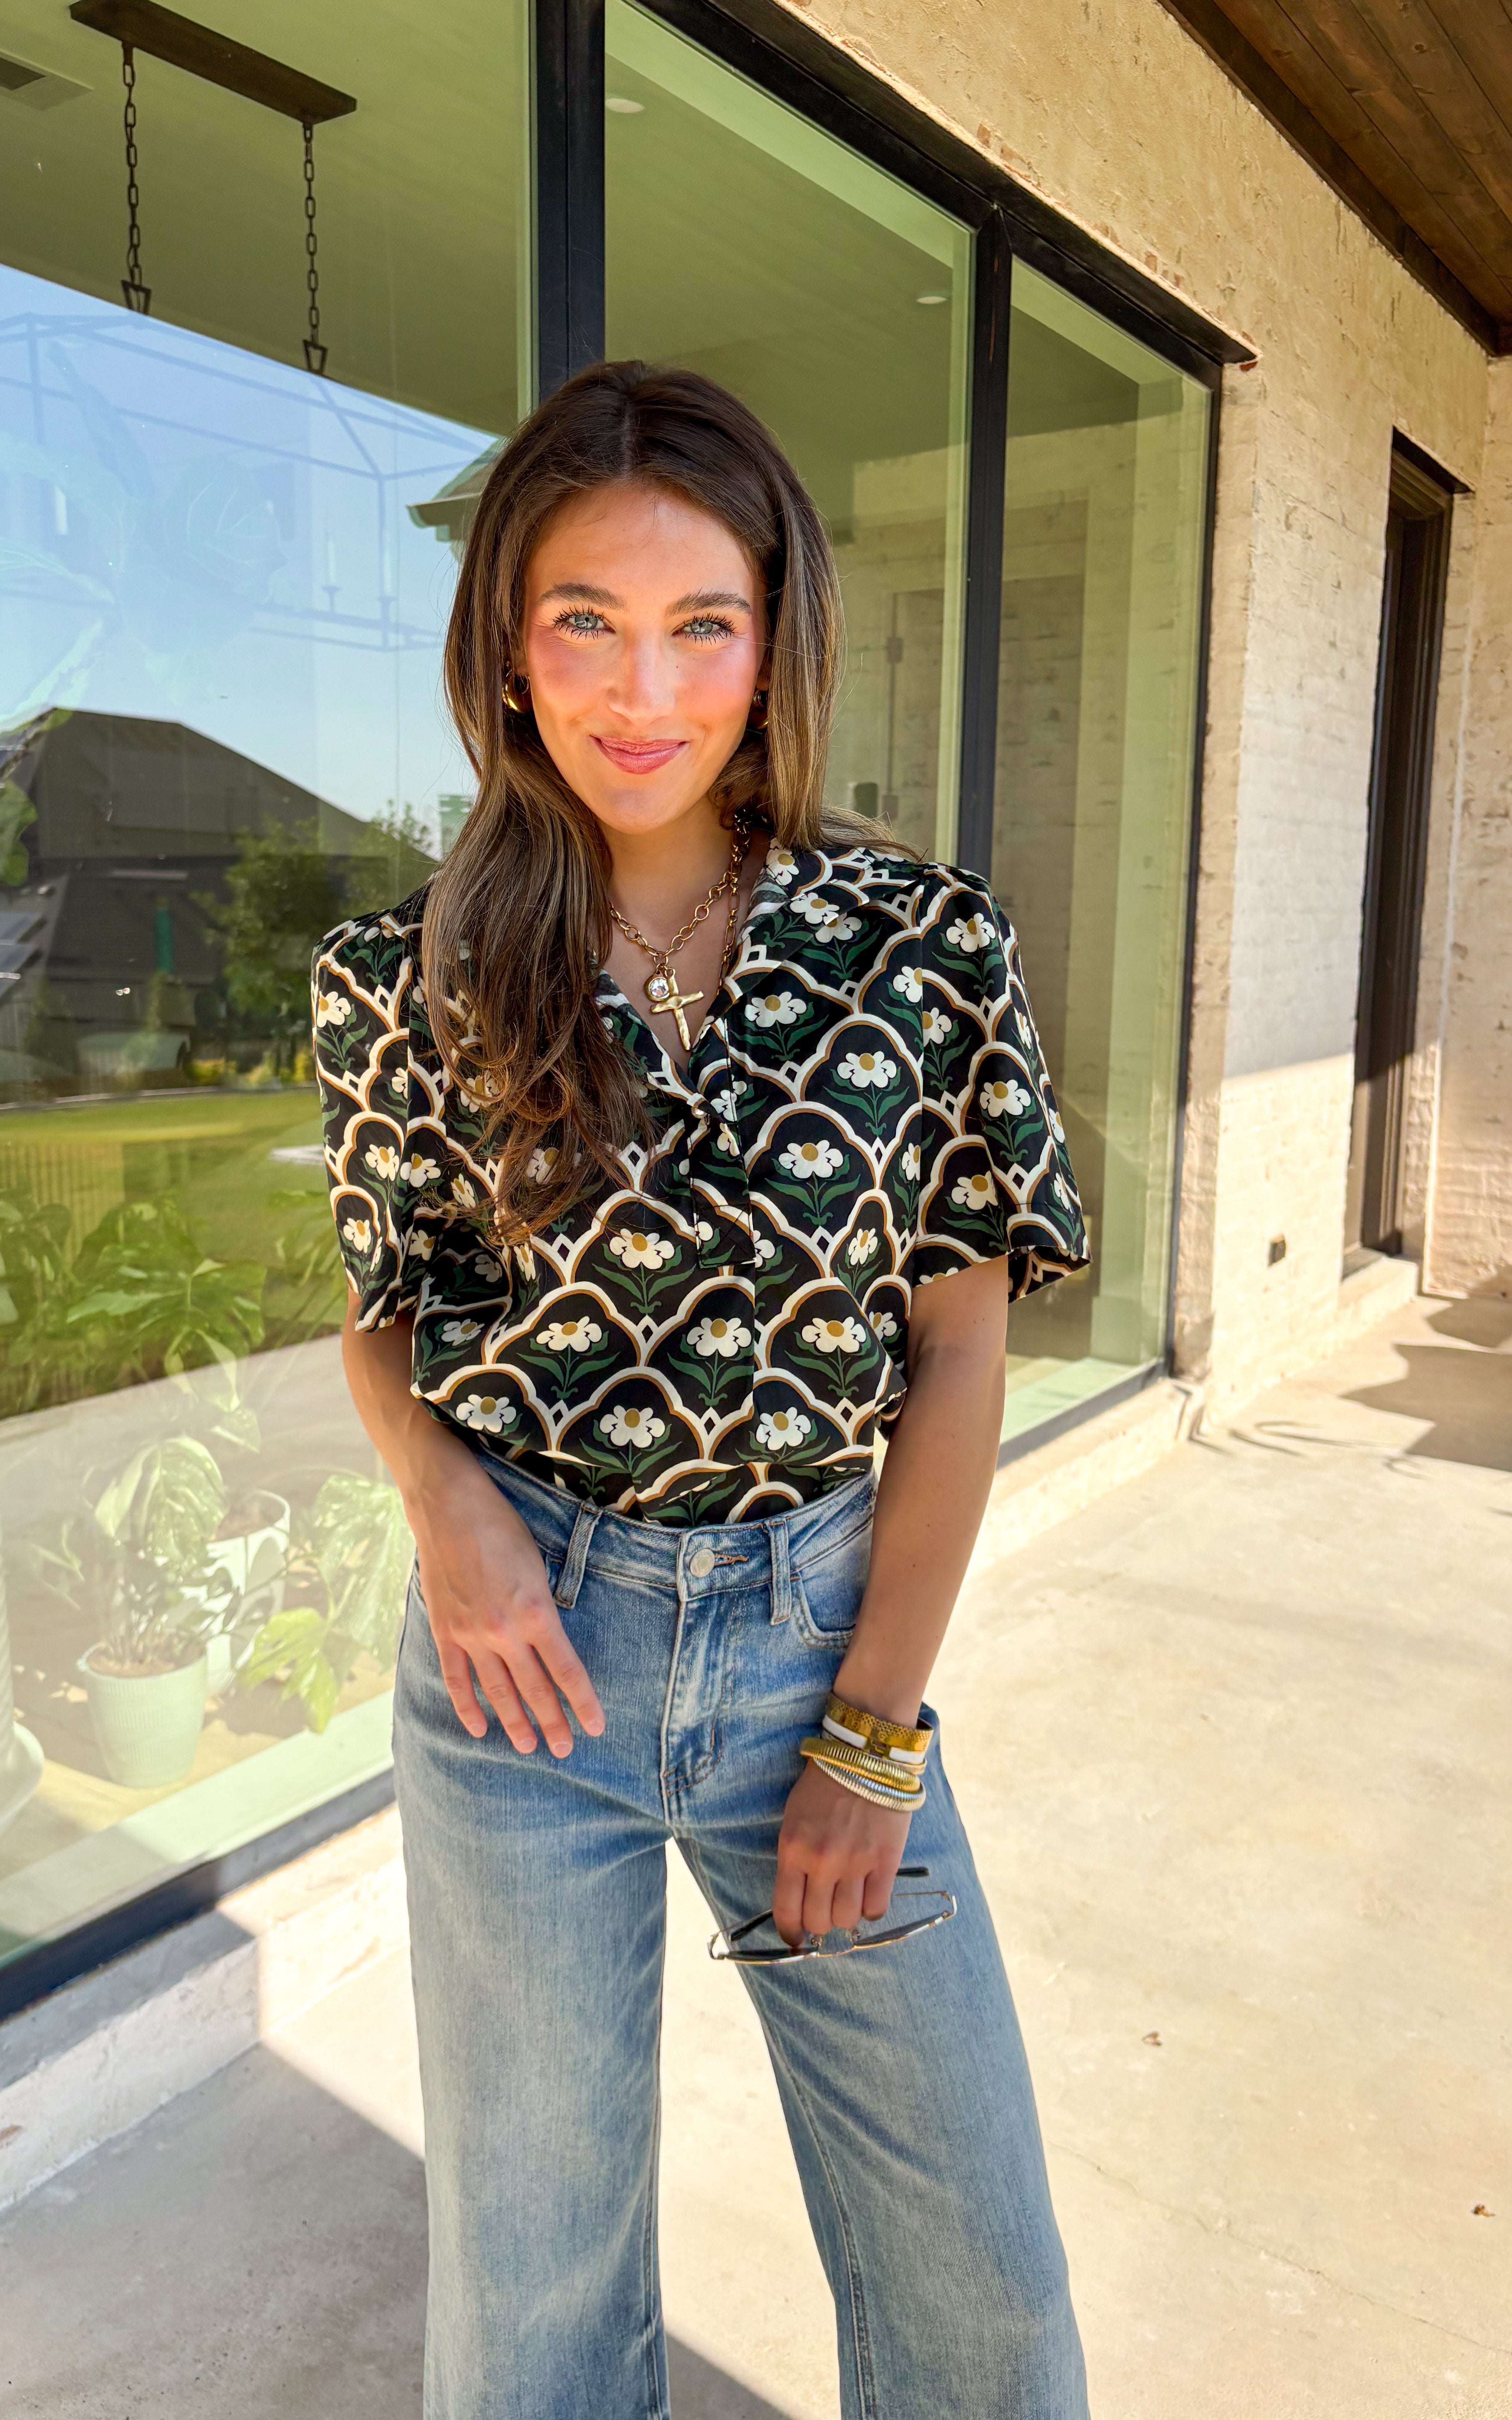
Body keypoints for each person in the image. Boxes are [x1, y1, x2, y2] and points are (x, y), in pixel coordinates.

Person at [313, 359, 1091, 2420]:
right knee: (537, 2298)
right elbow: (383, 1309)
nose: (637, 687)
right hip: (518, 1676)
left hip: (821, 1640)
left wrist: (875, 1731)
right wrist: (444, 1508)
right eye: (582, 618)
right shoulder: (403, 971)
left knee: (978, 2289)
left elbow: (960, 1342)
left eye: (698, 625)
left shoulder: (919, 944)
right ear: (505, 639)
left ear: (776, 642)